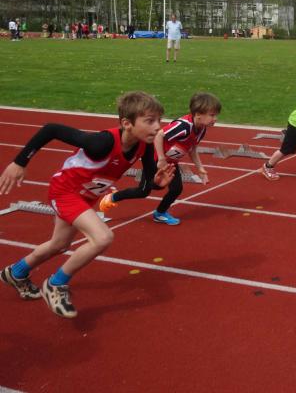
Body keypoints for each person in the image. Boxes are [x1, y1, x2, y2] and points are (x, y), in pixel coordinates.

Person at [0, 91, 174, 318]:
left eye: (158, 120)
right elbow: (51, 129)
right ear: (127, 124)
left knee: (59, 244)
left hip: (85, 197)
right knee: (103, 238)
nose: (158, 127)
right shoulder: (102, 143)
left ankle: (16, 273)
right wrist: (19, 162)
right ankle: (55, 284)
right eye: (150, 121)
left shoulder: (144, 147)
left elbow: (144, 190)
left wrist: (157, 185)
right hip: (65, 192)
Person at [100, 92, 221, 225]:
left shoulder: (201, 129)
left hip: (170, 162)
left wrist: (200, 169)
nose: (215, 119)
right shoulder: (184, 126)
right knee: (143, 191)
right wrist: (161, 159)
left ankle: (160, 213)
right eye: (212, 115)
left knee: (176, 189)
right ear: (198, 114)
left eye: (216, 115)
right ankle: (113, 197)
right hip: (155, 159)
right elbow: (159, 135)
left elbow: (192, 149)